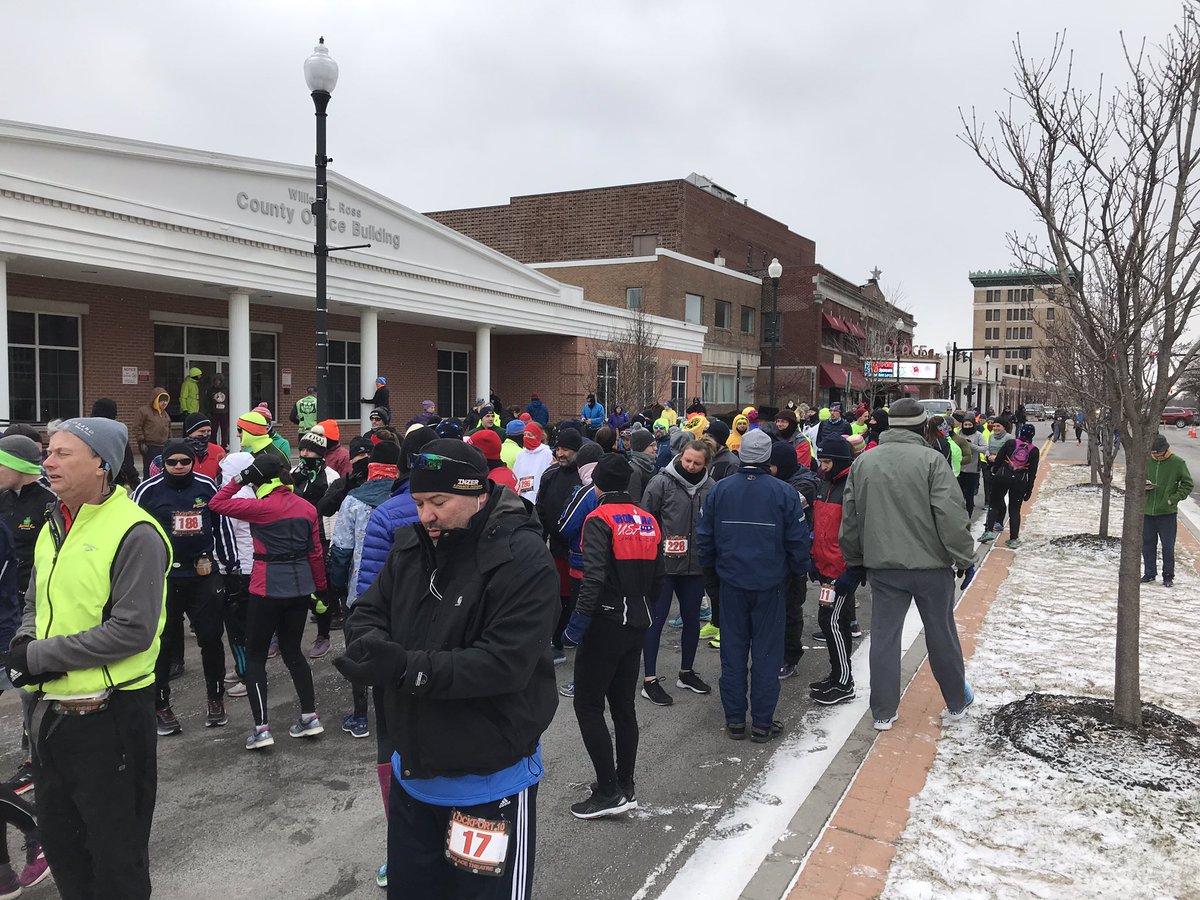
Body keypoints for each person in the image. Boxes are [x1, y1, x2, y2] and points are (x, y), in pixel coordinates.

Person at [338, 439, 558, 897]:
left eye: (438, 501)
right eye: (419, 502)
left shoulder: (522, 557)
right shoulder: (412, 546)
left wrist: (405, 669)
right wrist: (371, 647)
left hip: (487, 785)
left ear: (477, 492)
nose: (426, 516)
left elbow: (504, 664)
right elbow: (367, 610)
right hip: (413, 776)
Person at [6, 417, 170, 899]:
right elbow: (35, 601)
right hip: (51, 716)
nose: (47, 462)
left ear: (102, 465)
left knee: (116, 863)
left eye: (62, 453)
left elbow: (133, 631)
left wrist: (38, 655)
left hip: (111, 719)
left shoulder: (135, 531)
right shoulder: (54, 524)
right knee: (66, 854)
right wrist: (25, 641)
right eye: (48, 452)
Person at [839, 398, 977, 732]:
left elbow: (851, 517)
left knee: (885, 638)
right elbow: (950, 515)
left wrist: (855, 558)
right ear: (922, 426)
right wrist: (964, 557)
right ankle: (956, 702)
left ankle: (883, 712)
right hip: (932, 566)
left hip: (884, 566)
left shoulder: (864, 461)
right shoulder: (932, 460)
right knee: (941, 634)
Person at [564, 454, 663, 819]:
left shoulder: (599, 518)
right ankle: (625, 784)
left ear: (598, 485)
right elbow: (659, 577)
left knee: (588, 704)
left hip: (606, 621)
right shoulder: (648, 519)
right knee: (623, 705)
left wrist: (575, 627)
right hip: (638, 619)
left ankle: (608, 791)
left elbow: (592, 578)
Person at [697, 429, 811, 742]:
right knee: (766, 654)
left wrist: (711, 575)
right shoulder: (784, 492)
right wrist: (798, 574)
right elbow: (798, 541)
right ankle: (762, 723)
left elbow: (704, 538)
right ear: (767, 458)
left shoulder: (720, 490)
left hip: (731, 582)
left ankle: (735, 720)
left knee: (733, 653)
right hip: (770, 584)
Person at [209, 454, 328, 749]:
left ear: (257, 480)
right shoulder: (307, 507)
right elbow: (315, 553)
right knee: (293, 652)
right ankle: (310, 717)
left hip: (266, 588)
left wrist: (239, 479)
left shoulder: (259, 507)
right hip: (300, 588)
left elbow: (216, 503)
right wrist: (321, 589)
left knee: (256, 656)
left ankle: (262, 729)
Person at [132, 438, 233, 735]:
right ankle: (161, 705)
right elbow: (132, 530)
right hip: (164, 576)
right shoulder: (147, 490)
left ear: (193, 462)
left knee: (211, 639)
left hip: (203, 574)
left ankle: (216, 699)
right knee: (162, 642)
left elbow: (222, 527)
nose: (179, 466)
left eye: (185, 461)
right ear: (163, 464)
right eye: (172, 462)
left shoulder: (206, 486)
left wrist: (229, 566)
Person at [639, 439, 715, 707]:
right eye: (687, 460)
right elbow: (645, 520)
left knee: (692, 619)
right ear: (680, 456)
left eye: (697, 463)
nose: (691, 466)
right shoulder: (660, 482)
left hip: (695, 566)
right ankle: (649, 680)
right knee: (656, 620)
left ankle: (686, 672)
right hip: (664, 567)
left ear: (706, 464)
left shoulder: (711, 486)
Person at [807, 436, 858, 704]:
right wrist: (814, 558)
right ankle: (837, 673)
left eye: (827, 461)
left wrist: (854, 569)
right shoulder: (824, 484)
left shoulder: (852, 487)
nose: (822, 466)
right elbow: (819, 526)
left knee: (832, 622)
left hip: (842, 569)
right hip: (826, 566)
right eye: (821, 460)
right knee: (834, 622)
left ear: (838, 462)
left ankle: (844, 682)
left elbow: (861, 531)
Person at [291, 427, 342, 658]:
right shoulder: (293, 474)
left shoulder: (331, 477)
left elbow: (337, 512)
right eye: (302, 449)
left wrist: (333, 544)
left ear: (320, 453)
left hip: (322, 537)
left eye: (309, 451)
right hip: (297, 536)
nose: (304, 454)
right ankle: (285, 636)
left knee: (322, 590)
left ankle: (323, 635)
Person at [537, 429, 585, 666]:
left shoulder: (585, 477)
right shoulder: (550, 475)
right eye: (558, 448)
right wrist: (539, 542)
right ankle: (557, 641)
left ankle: (573, 637)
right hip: (555, 548)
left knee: (577, 597)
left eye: (565, 449)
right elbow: (540, 510)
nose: (560, 453)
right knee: (558, 595)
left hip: (579, 550)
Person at [1143, 434, 1193, 588]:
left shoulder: (1177, 463)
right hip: (1147, 511)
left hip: (1167, 513)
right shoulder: (1147, 460)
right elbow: (1137, 478)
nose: (1155, 456)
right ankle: (1149, 573)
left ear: (1165, 450)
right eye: (1153, 453)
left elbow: (1187, 484)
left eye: (1158, 453)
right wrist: (1143, 486)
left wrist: (1173, 498)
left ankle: (1168, 576)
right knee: (1147, 544)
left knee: (1168, 546)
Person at [981, 423, 1040, 546]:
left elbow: (999, 459)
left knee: (994, 504)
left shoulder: (1011, 443)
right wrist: (1029, 490)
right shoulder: (1034, 450)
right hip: (1020, 481)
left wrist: (994, 471)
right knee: (1014, 510)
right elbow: (1032, 472)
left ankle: (988, 531)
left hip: (1002, 476)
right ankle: (1013, 539)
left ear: (1021, 432)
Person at [151, 412, 225, 482]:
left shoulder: (218, 451)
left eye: (208, 431)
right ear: (190, 432)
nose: (206, 434)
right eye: (201, 431)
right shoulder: (177, 451)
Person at [90, 398, 140, 490]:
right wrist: (136, 485)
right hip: (111, 483)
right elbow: (126, 464)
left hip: (87, 481)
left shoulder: (84, 433)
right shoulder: (115, 434)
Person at [135, 386, 172, 479]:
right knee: (149, 471)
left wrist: (170, 442)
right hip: (150, 447)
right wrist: (141, 442)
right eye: (162, 400)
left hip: (163, 446)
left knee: (162, 470)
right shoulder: (144, 411)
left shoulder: (165, 414)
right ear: (155, 400)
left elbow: (169, 428)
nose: (164, 403)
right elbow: (137, 427)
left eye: (166, 400)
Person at [513, 422, 554, 502]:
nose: (526, 437)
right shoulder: (521, 454)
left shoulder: (547, 453)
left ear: (537, 436)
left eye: (529, 435)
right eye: (525, 435)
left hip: (538, 498)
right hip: (521, 498)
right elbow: (515, 475)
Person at [957, 418, 986, 515]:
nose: (967, 427)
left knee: (969, 495)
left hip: (972, 469)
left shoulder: (978, 435)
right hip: (959, 468)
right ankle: (960, 515)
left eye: (970, 425)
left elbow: (984, 448)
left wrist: (971, 445)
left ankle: (969, 516)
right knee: (959, 495)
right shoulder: (959, 433)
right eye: (965, 425)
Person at [627, 430, 657, 502]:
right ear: (641, 448)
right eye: (652, 445)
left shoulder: (651, 466)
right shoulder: (634, 470)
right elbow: (634, 499)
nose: (655, 448)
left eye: (655, 445)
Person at [206, 372, 230, 447]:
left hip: (224, 413)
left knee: (225, 431)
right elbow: (207, 402)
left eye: (219, 380)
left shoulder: (226, 389)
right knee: (213, 431)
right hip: (213, 413)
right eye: (216, 380)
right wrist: (208, 412)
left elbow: (229, 401)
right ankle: (213, 445)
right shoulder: (210, 390)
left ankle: (224, 445)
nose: (217, 382)